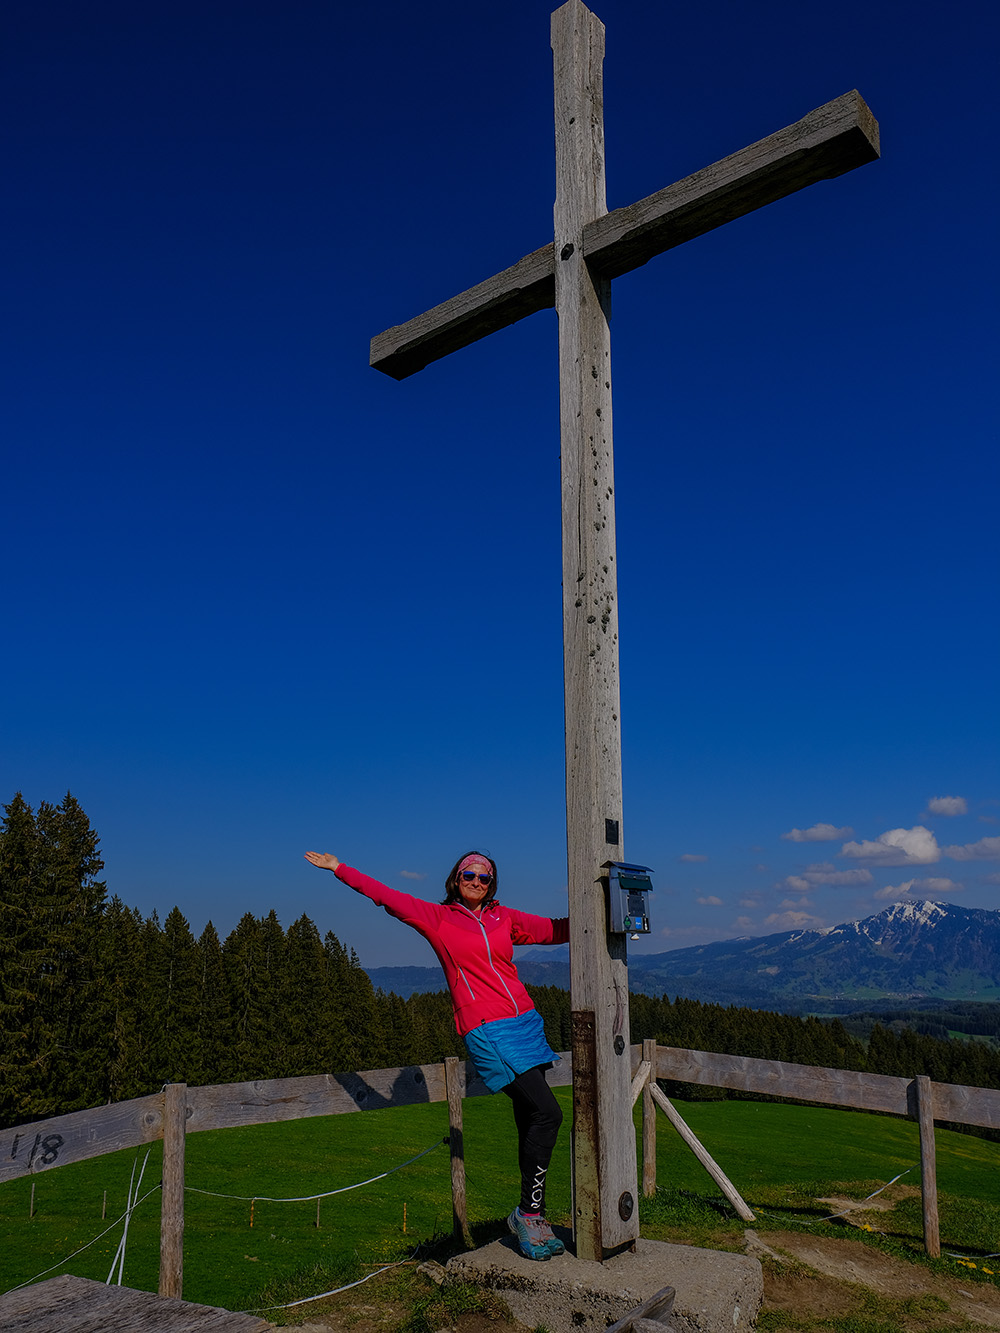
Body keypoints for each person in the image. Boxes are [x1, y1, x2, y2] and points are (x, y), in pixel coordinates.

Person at [304, 847, 569, 1260]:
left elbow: (556, 930)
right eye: (469, 875)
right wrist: (340, 869)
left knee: (531, 1117)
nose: (476, 882)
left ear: (492, 883)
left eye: (484, 877)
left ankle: (533, 1215)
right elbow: (386, 896)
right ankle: (527, 1214)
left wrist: (605, 909)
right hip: (486, 1029)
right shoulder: (437, 918)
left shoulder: (505, 918)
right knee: (548, 1112)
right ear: (456, 878)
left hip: (525, 1021)